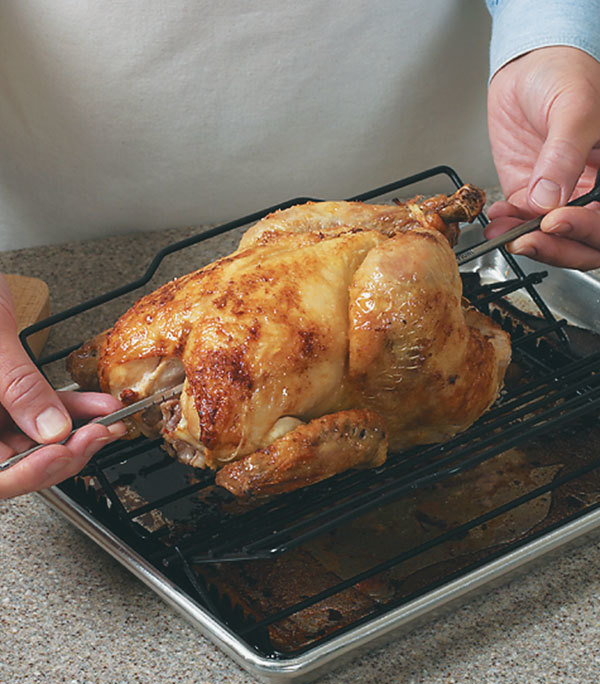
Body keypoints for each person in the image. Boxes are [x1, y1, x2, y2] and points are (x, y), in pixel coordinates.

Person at [1, 0, 599, 498]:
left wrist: (549, 38)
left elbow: (356, 431)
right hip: (70, 168)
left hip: (418, 102)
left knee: (308, 268)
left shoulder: (138, 360)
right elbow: (355, 434)